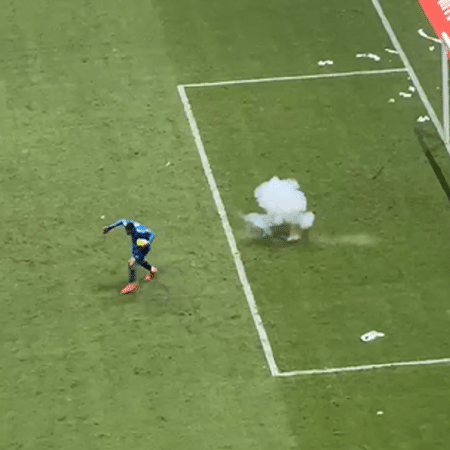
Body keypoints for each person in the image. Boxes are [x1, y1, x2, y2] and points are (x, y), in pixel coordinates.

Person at [102, 219, 158, 294]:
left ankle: (132, 285)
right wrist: (109, 228)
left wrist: (147, 242)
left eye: (129, 231)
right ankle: (153, 270)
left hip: (143, 246)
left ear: (133, 229)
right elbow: (121, 221)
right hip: (136, 243)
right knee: (138, 260)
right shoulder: (127, 224)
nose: (127, 233)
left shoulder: (140, 231)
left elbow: (152, 234)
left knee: (131, 262)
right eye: (126, 231)